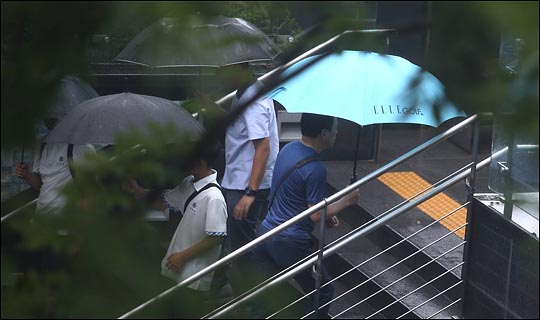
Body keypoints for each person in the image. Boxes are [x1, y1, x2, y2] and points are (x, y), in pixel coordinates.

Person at [254, 113, 359, 318]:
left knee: (263, 300)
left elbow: (295, 195)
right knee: (323, 291)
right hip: (290, 241)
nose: (337, 133)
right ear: (324, 133)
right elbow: (317, 215)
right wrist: (347, 201)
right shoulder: (316, 169)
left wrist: (328, 213)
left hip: (266, 234)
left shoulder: (289, 149)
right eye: (335, 129)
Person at [123, 142, 229, 318]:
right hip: (175, 271)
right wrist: (136, 189)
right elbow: (162, 202)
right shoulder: (189, 183)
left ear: (201, 162)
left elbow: (216, 237)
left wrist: (183, 256)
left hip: (193, 277)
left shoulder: (214, 197)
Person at [219, 63, 279, 293]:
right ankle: (250, 299)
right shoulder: (243, 93)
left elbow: (262, 147)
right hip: (238, 180)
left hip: (246, 185)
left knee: (243, 248)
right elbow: (240, 129)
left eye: (224, 71)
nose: (220, 77)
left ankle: (256, 303)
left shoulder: (253, 101)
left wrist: (250, 193)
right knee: (239, 245)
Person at [15, 117, 95, 215]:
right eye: (48, 117)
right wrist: (26, 174)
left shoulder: (81, 147)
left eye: (55, 117)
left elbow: (91, 190)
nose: (50, 120)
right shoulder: (41, 144)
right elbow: (41, 184)